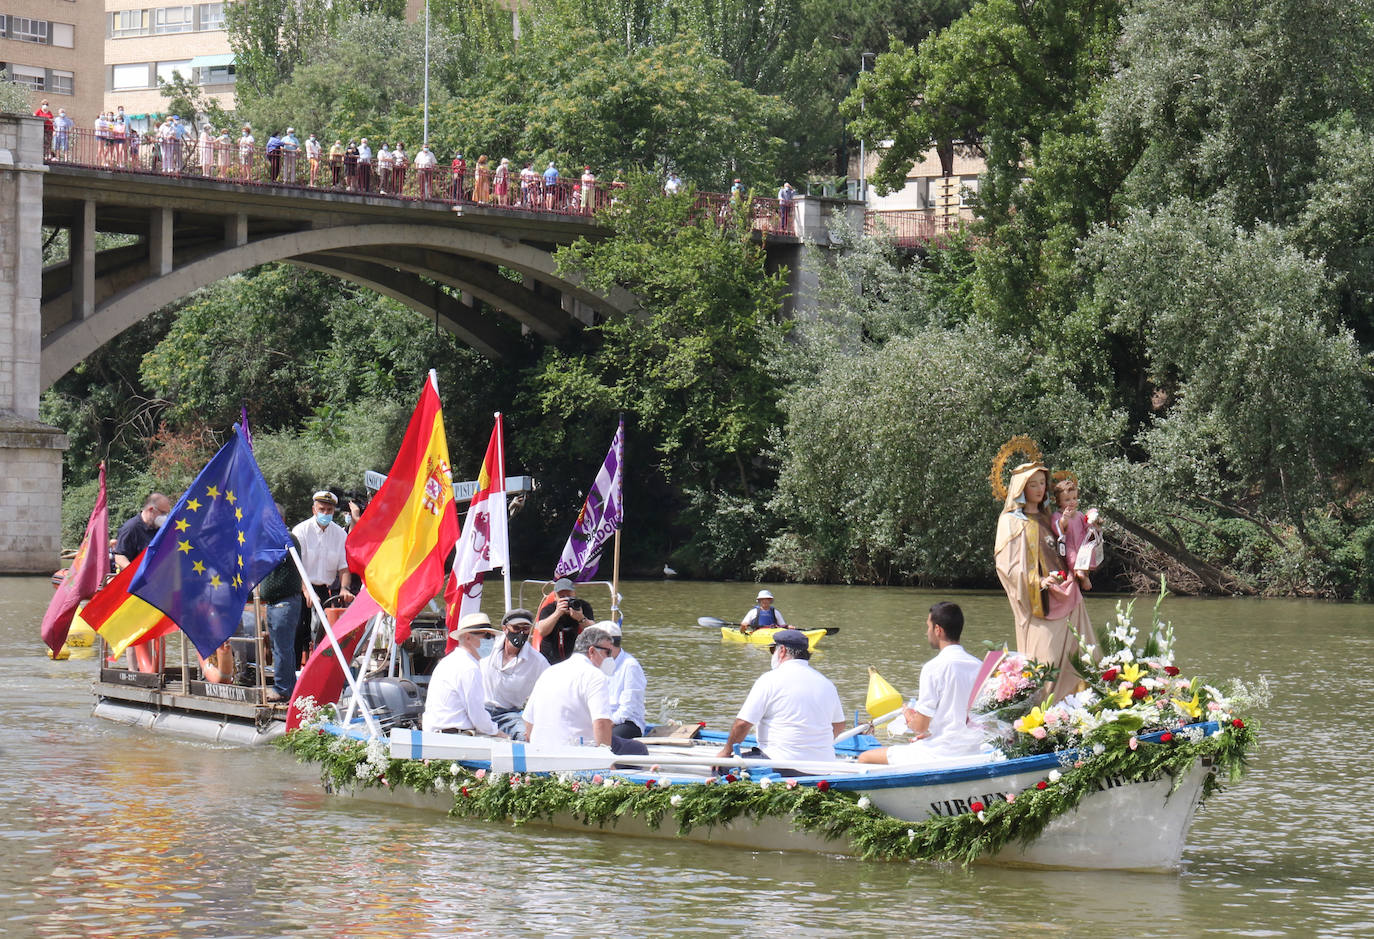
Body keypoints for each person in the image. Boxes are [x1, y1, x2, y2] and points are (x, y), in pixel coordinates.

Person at [994, 462, 1092, 698]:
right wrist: (1037, 580)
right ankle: (1044, 712)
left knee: (1078, 653)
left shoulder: (1050, 517)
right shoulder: (1011, 521)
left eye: (1042, 484)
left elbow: (1069, 544)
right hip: (1039, 599)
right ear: (1020, 488)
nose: (1039, 489)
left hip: (1066, 589)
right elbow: (1006, 564)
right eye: (1032, 484)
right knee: (1046, 658)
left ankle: (1077, 708)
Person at [857, 602, 984, 765]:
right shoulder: (979, 666)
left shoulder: (933, 667)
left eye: (928, 627)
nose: (927, 632)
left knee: (865, 757)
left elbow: (920, 727)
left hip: (940, 753)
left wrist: (908, 715)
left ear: (938, 630)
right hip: (971, 750)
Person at [714, 629, 845, 770]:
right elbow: (839, 725)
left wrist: (726, 752)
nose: (772, 654)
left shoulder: (770, 679)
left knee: (721, 768)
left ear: (781, 651)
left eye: (772, 650)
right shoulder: (826, 683)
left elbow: (743, 724)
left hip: (779, 765)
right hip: (823, 768)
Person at [522, 626, 647, 754]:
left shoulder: (549, 672)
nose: (610, 658)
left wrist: (535, 751)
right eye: (607, 653)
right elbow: (601, 722)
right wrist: (606, 762)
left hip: (541, 751)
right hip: (578, 750)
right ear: (592, 651)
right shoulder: (595, 676)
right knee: (639, 749)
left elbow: (528, 720)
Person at [291, 490, 354, 664]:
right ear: (314, 510)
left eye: (329, 510)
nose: (325, 513)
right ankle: (295, 673)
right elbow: (297, 565)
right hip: (300, 586)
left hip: (324, 590)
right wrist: (306, 591)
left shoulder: (340, 535)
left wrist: (344, 588)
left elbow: (344, 567)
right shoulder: (301, 531)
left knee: (324, 632)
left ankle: (319, 668)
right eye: (322, 509)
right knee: (297, 631)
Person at [424, 613, 505, 735]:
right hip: (456, 737)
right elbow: (478, 716)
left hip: (436, 734)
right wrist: (499, 733)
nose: (491, 641)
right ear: (467, 638)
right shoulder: (469, 668)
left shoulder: (449, 661)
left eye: (492, 637)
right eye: (487, 636)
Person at [257, 503, 304, 702]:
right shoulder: (274, 540)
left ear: (281, 520)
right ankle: (287, 686)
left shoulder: (286, 539)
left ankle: (283, 688)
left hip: (284, 603)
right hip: (276, 604)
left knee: (283, 647)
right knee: (280, 646)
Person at [480, 608, 549, 739]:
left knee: (526, 736)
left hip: (509, 713)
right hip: (480, 707)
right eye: (516, 628)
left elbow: (551, 688)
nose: (521, 633)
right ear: (505, 628)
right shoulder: (487, 647)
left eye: (526, 629)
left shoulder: (538, 661)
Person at [1052, 475, 1103, 592]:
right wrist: (1065, 518)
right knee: (1072, 558)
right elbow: (1059, 529)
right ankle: (1081, 575)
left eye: (1074, 498)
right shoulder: (1058, 515)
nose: (1072, 502)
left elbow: (1087, 525)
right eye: (1067, 499)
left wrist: (1095, 522)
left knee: (1089, 554)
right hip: (1069, 544)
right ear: (1059, 501)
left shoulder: (1079, 514)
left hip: (1082, 544)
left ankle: (1084, 574)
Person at [601, 621, 646, 739]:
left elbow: (628, 707)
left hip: (627, 722)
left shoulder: (630, 666)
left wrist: (607, 724)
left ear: (608, 645)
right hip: (604, 719)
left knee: (606, 739)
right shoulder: (601, 663)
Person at [535, 577, 593, 665]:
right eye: (562, 597)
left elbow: (593, 631)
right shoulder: (548, 609)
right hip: (550, 658)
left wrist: (581, 618)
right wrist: (557, 613)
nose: (566, 600)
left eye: (569, 596)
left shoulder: (583, 606)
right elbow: (542, 631)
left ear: (574, 594)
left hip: (575, 657)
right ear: (555, 597)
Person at [113, 493, 172, 569]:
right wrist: (135, 573)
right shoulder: (131, 528)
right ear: (151, 510)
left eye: (167, 513)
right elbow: (119, 556)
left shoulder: (162, 529)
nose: (165, 517)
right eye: (163, 513)